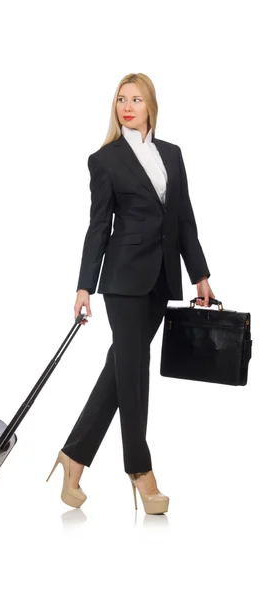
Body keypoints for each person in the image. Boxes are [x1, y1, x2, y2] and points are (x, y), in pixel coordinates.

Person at [46, 72, 215, 514]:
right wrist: (85, 284)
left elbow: (184, 222)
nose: (127, 106)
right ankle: (141, 472)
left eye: (136, 99)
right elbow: (99, 226)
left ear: (150, 106)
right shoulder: (105, 160)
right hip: (122, 281)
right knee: (134, 373)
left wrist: (200, 275)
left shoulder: (172, 156)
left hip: (161, 281)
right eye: (121, 99)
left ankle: (74, 458)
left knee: (119, 371)